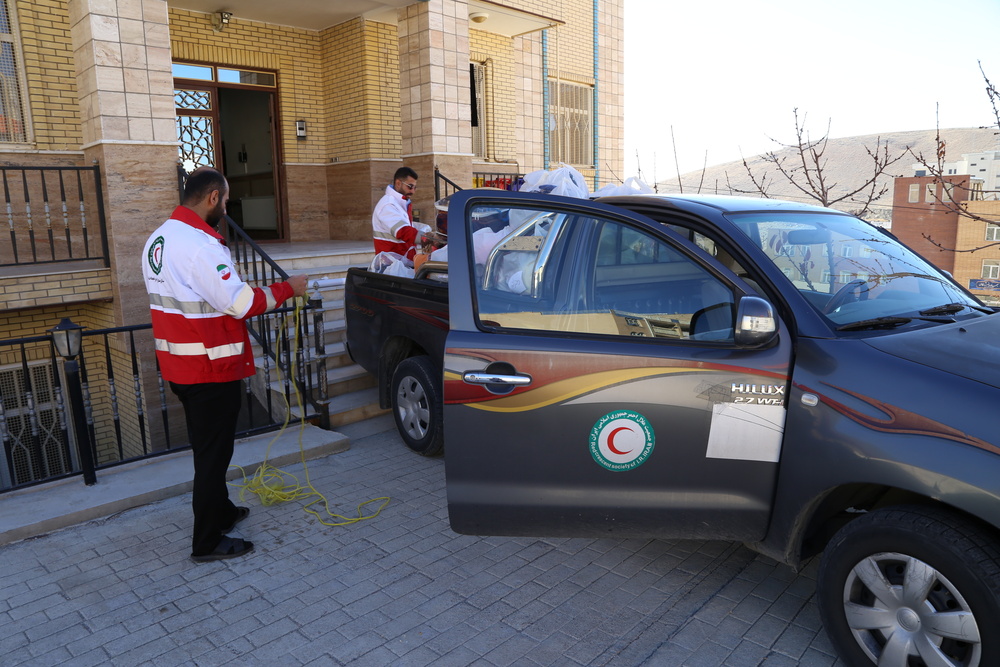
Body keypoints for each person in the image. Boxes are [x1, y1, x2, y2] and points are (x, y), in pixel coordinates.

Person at [141, 167, 307, 562]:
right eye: (226, 200)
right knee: (212, 459)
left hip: (181, 366)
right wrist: (288, 288)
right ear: (213, 197)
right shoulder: (201, 245)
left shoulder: (158, 238)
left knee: (210, 449)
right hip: (209, 369)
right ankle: (207, 542)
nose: (226, 207)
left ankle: (224, 512)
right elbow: (241, 303)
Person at [372, 166, 431, 260]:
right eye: (410, 186)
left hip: (402, 261)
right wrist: (427, 239)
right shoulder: (388, 204)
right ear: (398, 183)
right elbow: (402, 231)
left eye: (415, 188)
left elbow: (405, 225)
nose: (413, 191)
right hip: (391, 264)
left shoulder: (400, 203)